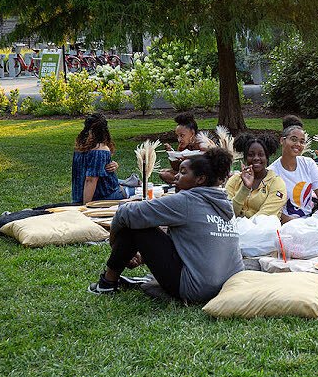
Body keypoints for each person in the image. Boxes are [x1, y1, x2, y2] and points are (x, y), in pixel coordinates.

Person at [88, 148, 244, 302]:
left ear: (200, 179)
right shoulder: (224, 203)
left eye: (183, 172)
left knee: (135, 224)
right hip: (227, 286)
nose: (176, 176)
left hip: (196, 289)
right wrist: (143, 257)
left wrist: (114, 242)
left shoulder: (187, 200)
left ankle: (107, 283)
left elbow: (126, 213)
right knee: (146, 221)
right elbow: (196, 243)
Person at [270, 117, 318, 222]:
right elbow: (275, 210)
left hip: (311, 219)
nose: (298, 144)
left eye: (302, 141)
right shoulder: (273, 172)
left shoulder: (308, 163)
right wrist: (300, 225)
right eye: (293, 139)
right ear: (282, 141)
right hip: (289, 225)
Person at [225, 133, 287, 218]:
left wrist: (244, 226)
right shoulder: (235, 179)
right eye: (251, 155)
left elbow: (265, 216)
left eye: (261, 155)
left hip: (262, 229)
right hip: (234, 227)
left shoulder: (276, 183)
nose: (256, 158)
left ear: (267, 158)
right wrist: (245, 189)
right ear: (245, 158)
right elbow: (227, 212)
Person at [71, 113, 125, 203]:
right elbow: (90, 180)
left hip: (79, 196)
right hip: (104, 197)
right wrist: (85, 206)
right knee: (139, 191)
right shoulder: (100, 150)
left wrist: (114, 164)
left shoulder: (80, 146)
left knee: (131, 183)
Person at [159, 112, 203, 184]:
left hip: (202, 177)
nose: (179, 139)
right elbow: (177, 168)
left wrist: (191, 157)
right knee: (163, 173)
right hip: (190, 175)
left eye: (182, 135)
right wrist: (171, 154)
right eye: (177, 136)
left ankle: (186, 185)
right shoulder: (183, 146)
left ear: (192, 133)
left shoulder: (201, 143)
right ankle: (184, 184)